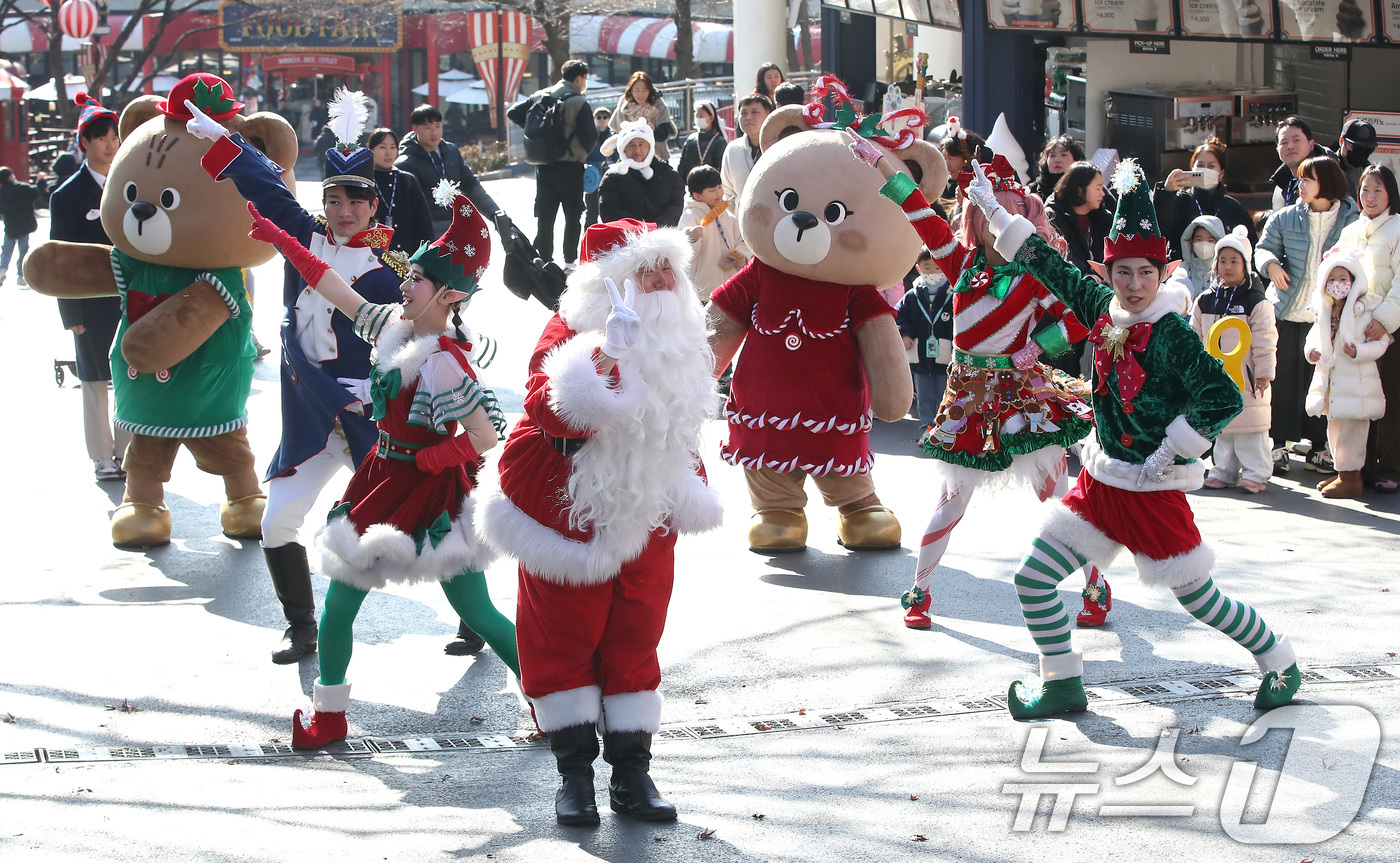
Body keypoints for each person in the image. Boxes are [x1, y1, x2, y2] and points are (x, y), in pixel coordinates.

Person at [960, 157, 1301, 718]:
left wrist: (1173, 446)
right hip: (1100, 484)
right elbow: (1046, 262)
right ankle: (1064, 683)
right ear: (1109, 271)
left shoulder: (1172, 334)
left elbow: (1223, 397)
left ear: (1163, 272)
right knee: (1033, 580)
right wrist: (995, 211)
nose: (1135, 284)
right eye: (1123, 272)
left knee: (1201, 601)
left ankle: (1280, 659)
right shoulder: (1102, 308)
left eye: (1146, 272)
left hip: (1150, 492)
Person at [194, 88, 498, 663]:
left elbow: (437, 329)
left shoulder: (398, 270)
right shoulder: (307, 238)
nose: (343, 210)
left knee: (426, 521)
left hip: (378, 427)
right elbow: (266, 189)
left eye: (356, 200)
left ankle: (474, 618)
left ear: (375, 207)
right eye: (333, 199)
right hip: (312, 414)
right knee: (279, 519)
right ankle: (302, 627)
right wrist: (223, 139)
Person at [242, 189, 518, 750]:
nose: (404, 285)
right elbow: (335, 288)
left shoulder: (442, 360)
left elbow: (487, 435)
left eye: (416, 279)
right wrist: (282, 242)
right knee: (340, 605)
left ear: (449, 295)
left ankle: (548, 697)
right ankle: (330, 718)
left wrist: (424, 458)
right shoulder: (395, 327)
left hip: (430, 494)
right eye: (409, 275)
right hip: (382, 482)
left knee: (480, 612)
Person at [479, 220, 723, 826]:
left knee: (636, 639)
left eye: (668, 267)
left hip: (650, 514)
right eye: (646, 270)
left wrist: (691, 489)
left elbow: (681, 432)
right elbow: (547, 411)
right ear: (610, 282)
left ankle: (633, 776)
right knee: (563, 638)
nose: (662, 280)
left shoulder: (684, 341)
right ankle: (575, 778)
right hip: (570, 515)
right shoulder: (571, 330)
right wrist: (604, 358)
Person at [863, 150, 1107, 631]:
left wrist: (1036, 347)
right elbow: (916, 208)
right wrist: (878, 159)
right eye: (991, 212)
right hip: (969, 399)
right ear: (975, 217)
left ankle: (1096, 585)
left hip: (1026, 398)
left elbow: (1081, 318)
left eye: (1011, 212)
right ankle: (920, 590)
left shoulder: (1038, 273)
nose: (1001, 223)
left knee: (1058, 496)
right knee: (951, 499)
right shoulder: (958, 262)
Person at [1255, 155, 1359, 475]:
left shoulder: (1351, 220)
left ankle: (1318, 447)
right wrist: (1271, 265)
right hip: (1287, 309)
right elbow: (1263, 248)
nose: (1300, 185)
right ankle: (1277, 445)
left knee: (1321, 381)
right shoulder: (1284, 217)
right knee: (1282, 379)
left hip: (1329, 315)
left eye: (1306, 179)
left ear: (1326, 183)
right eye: (1300, 179)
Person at [49, 95, 128, 482]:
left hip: (132, 299)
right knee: (95, 379)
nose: (111, 143)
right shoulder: (65, 196)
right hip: (89, 303)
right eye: (101, 137)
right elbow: (60, 259)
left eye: (114, 135)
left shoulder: (132, 187)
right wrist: (71, 314)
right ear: (84, 142)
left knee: (133, 376)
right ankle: (102, 457)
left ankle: (129, 455)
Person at [1190, 226, 1277, 493]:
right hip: (1216, 375)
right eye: (1223, 261)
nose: (1228, 267)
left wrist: (1263, 372)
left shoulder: (1255, 301)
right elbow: (1194, 336)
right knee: (1223, 427)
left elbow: (1265, 340)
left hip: (1247, 376)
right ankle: (1223, 470)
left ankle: (1256, 472)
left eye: (1234, 261)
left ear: (1246, 264)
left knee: (1251, 427)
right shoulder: (1205, 300)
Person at [1305, 250, 1390, 498]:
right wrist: (1312, 352)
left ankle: (1352, 478)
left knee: (1353, 431)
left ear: (1354, 281)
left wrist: (1359, 351)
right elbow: (1312, 338)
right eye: (1332, 279)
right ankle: (1343, 471)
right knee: (1335, 428)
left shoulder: (1365, 311)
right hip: (1332, 382)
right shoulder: (1324, 311)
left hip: (1357, 384)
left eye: (1343, 279)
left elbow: (1382, 342)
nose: (1337, 285)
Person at [1336, 165, 1400, 492]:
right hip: (1355, 326)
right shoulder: (1350, 231)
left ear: (1390, 193)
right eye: (1364, 189)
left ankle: (1389, 467)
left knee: (1390, 399)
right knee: (1359, 398)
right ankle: (1355, 469)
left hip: (1390, 329)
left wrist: (1385, 319)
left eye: (1377, 190)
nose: (1369, 196)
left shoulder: (1398, 228)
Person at [508, 59, 596, 265]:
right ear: (579, 78)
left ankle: (544, 259)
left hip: (544, 166)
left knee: (546, 216)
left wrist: (538, 135)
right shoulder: (578, 102)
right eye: (585, 78)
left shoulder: (541, 95)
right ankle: (570, 261)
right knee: (572, 216)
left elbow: (513, 112)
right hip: (570, 166)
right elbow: (589, 137)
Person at [396, 104, 500, 236]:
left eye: (437, 126)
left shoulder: (451, 151)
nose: (434, 133)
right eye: (428, 128)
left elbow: (471, 186)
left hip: (458, 224)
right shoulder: (406, 163)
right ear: (415, 129)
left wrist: (494, 213)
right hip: (427, 230)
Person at [1154, 137, 1257, 260]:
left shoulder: (1233, 208)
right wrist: (1167, 192)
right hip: (1182, 272)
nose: (1205, 170)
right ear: (1192, 168)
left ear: (1221, 173)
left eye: (1211, 166)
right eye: (1200, 165)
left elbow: (1250, 246)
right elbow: (1160, 232)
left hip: (1221, 274)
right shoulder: (1179, 200)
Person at [895, 248, 953, 445]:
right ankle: (928, 429)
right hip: (920, 355)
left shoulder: (952, 294)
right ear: (918, 268)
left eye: (937, 267)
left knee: (945, 394)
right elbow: (900, 316)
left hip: (946, 355)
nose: (933, 273)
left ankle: (945, 430)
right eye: (927, 268)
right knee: (925, 396)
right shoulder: (912, 295)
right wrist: (905, 334)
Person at [677, 165, 749, 301]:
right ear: (697, 195)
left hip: (731, 282)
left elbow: (741, 241)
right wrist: (692, 237)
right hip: (705, 287)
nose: (718, 193)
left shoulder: (728, 216)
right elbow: (683, 252)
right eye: (712, 190)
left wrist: (742, 255)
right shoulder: (690, 216)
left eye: (720, 187)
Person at [598, 121, 683, 227]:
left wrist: (656, 227)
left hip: (662, 238)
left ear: (650, 146)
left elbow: (676, 205)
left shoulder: (668, 174)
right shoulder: (612, 177)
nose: (637, 150)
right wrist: (639, 228)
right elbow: (609, 211)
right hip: (628, 239)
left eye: (641, 144)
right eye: (631, 145)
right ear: (623, 148)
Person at [368, 127, 434, 255]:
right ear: (371, 150)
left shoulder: (407, 180)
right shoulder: (365, 181)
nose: (388, 153)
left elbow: (423, 225)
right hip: (372, 258)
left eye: (393, 147)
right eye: (382, 147)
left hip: (407, 257)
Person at [1044, 161, 1110, 276]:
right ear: (1080, 190)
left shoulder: (1103, 217)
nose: (1103, 193)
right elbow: (1056, 254)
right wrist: (1084, 273)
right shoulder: (1053, 216)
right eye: (1098, 188)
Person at [1269, 117, 1336, 211]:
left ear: (1311, 145)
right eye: (1284, 142)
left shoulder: (1330, 177)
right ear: (1277, 150)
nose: (1290, 146)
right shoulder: (1282, 182)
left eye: (1296, 140)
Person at [609, 71, 675, 163]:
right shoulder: (624, 107)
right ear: (631, 90)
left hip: (657, 157)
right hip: (630, 157)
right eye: (637, 90)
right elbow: (616, 130)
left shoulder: (659, 105)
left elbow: (664, 134)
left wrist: (654, 129)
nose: (641, 94)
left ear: (650, 90)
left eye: (644, 90)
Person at [720, 93, 774, 205]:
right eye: (743, 113)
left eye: (755, 112)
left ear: (769, 115)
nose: (748, 117)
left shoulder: (778, 147)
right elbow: (727, 192)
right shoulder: (732, 150)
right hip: (741, 220)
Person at [1167, 215, 1228, 300]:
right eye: (1199, 239)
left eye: (1210, 240)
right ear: (1191, 241)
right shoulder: (1183, 268)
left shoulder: (1221, 272)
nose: (1204, 245)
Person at [0, 166, 39, 286]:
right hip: (24, 225)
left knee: (6, 250)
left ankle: (2, 270)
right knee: (23, 250)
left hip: (10, 225)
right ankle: (21, 275)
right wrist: (39, 181)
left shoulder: (1, 192)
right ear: (10, 176)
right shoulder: (23, 188)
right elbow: (35, 193)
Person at [675, 100, 727, 182]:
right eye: (697, 116)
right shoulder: (691, 139)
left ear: (711, 117)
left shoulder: (720, 142)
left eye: (701, 116)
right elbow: (682, 165)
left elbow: (721, 169)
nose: (698, 118)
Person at [584, 106, 614, 229]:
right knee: (591, 211)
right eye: (599, 117)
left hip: (609, 176)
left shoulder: (614, 137)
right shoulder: (589, 136)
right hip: (592, 178)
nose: (602, 120)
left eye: (605, 117)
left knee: (610, 210)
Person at [1030, 135, 1084, 202]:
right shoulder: (1033, 191)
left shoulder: (1084, 188)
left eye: (1064, 155)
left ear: (1076, 160)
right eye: (1052, 155)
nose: (1057, 160)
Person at [1337, 119, 1378, 197]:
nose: (1361, 153)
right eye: (1357, 148)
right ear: (1342, 141)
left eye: (1367, 149)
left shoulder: (1372, 173)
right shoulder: (1329, 169)